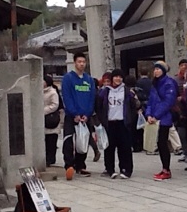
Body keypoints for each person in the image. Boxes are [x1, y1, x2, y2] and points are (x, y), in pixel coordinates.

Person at [97, 69, 139, 178]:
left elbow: (133, 107)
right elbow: (99, 106)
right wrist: (102, 120)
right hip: (109, 123)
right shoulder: (105, 91)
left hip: (123, 123)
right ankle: (109, 169)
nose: (118, 79)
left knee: (125, 147)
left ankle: (126, 169)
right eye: (116, 76)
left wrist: (130, 119)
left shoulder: (127, 91)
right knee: (109, 147)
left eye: (120, 77)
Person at [61, 52, 96, 180]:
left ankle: (80, 165)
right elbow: (67, 97)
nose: (81, 64)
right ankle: (69, 166)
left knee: (83, 141)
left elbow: (92, 98)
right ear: (75, 63)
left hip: (85, 117)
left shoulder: (89, 80)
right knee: (69, 141)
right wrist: (74, 113)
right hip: (72, 116)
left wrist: (87, 114)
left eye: (83, 62)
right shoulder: (68, 79)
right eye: (79, 62)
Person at [145, 61, 177, 181]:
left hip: (164, 118)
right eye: (155, 69)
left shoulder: (169, 83)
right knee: (159, 143)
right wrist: (148, 114)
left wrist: (156, 115)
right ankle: (164, 168)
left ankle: (166, 169)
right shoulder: (154, 84)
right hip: (154, 118)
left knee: (163, 143)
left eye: (158, 69)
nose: (156, 71)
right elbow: (150, 101)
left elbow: (168, 102)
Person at [43, 75, 61, 167]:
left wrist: (43, 111)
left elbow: (55, 105)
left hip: (51, 119)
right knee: (46, 141)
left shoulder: (52, 92)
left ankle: (50, 159)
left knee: (52, 141)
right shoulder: (39, 91)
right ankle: (47, 158)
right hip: (43, 119)